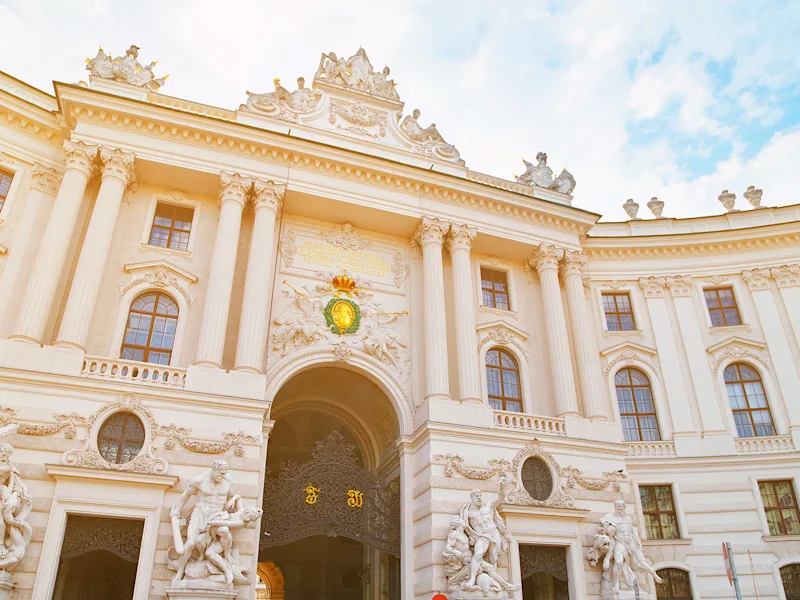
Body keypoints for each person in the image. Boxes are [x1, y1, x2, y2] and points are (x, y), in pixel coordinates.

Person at [171, 460, 237, 583]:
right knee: (190, 543)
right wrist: (177, 511)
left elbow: (232, 496)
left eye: (224, 473)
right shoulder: (199, 481)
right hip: (201, 512)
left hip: (217, 515)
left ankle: (227, 554)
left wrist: (234, 500)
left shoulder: (227, 480)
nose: (223, 476)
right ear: (214, 469)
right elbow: (186, 495)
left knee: (224, 531)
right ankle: (180, 572)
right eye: (221, 473)